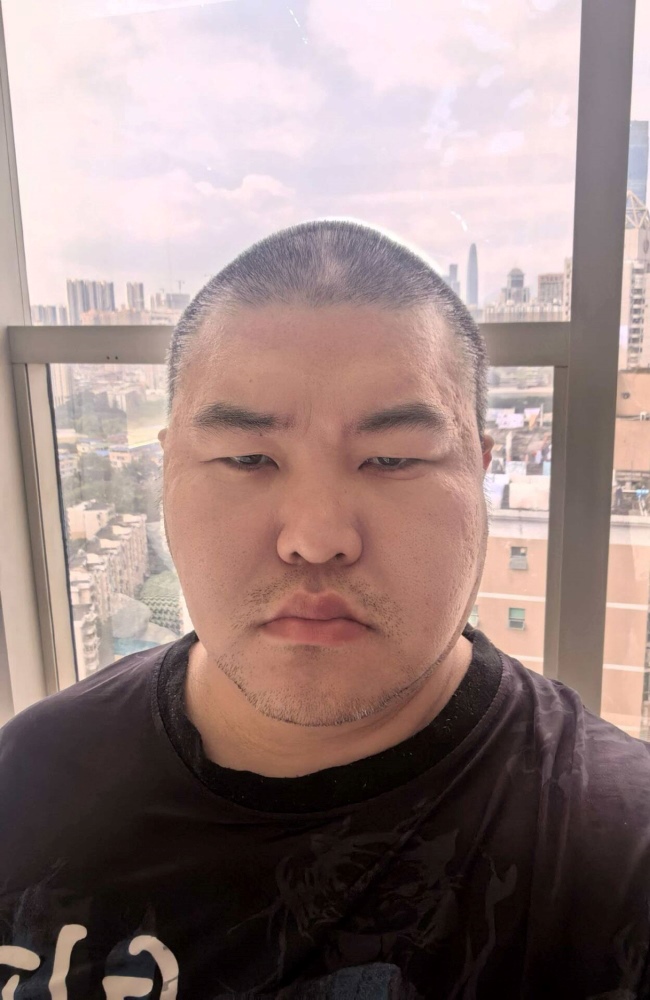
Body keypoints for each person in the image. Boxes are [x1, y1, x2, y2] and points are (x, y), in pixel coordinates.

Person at [1, 221, 649, 1000]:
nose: (315, 539)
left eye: (392, 458)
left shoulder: (614, 859)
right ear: (168, 470)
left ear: (478, 472)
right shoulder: (28, 780)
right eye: (248, 459)